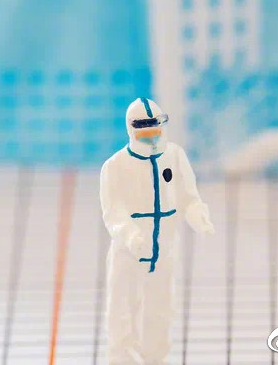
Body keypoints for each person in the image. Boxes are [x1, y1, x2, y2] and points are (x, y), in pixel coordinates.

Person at [100, 97, 214, 364]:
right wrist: (130, 235)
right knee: (122, 310)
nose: (152, 136)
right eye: (145, 131)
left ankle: (156, 358)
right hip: (128, 252)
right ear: (132, 130)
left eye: (156, 129)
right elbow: (113, 212)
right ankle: (122, 359)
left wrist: (197, 216)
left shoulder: (175, 156)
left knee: (161, 309)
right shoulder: (115, 166)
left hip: (165, 249)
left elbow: (188, 196)